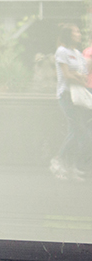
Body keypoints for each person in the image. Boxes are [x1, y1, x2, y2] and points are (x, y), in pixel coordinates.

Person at [51, 23, 92, 181]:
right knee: (78, 130)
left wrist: (78, 76)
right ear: (68, 35)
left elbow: (83, 74)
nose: (79, 34)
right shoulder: (62, 51)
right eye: (76, 32)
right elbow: (66, 74)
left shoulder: (78, 53)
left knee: (78, 130)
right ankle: (59, 160)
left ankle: (70, 167)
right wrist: (78, 77)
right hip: (66, 96)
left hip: (78, 96)